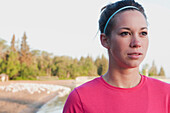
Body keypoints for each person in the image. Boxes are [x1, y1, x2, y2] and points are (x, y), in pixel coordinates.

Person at [63, 0, 170, 112]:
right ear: (105, 40)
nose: (136, 43)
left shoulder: (166, 95)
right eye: (125, 33)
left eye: (143, 33)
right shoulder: (80, 99)